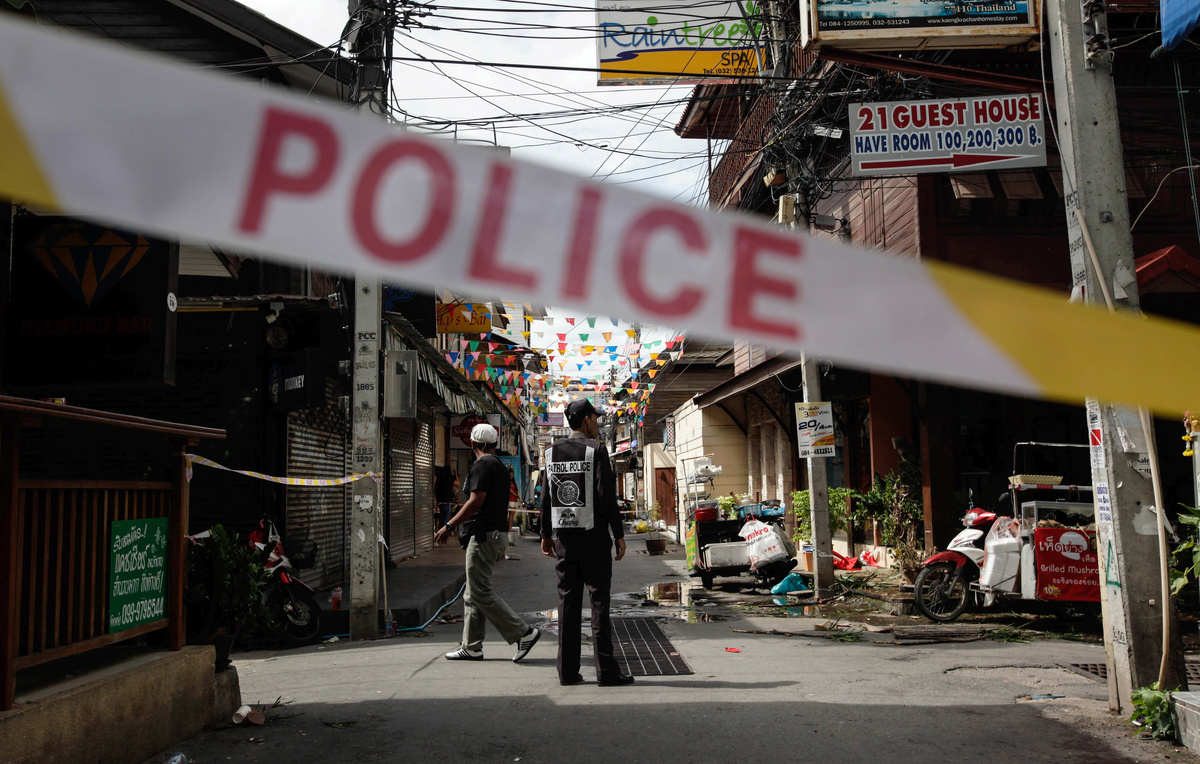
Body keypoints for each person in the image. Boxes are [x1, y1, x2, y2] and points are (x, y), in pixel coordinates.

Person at [539, 399, 633, 687]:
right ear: (585, 420)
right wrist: (618, 534)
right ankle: (606, 671)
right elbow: (606, 497)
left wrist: (545, 534)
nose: (597, 422)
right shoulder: (597, 450)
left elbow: (546, 496)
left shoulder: (551, 453)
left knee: (567, 605)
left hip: (564, 540)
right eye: (595, 416)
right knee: (599, 603)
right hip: (593, 539)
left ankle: (567, 672)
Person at [435, 423, 540, 662]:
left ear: (472, 444)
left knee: (480, 591)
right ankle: (472, 646)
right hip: (494, 535)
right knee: (472, 594)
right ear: (493, 444)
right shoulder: (499, 467)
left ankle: (523, 633)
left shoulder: (482, 465)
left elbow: (475, 502)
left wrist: (449, 524)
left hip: (485, 536)